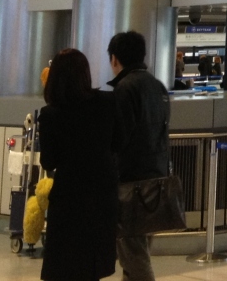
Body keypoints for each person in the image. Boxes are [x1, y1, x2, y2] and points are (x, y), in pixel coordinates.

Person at [39, 48, 120, 281]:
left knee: (64, 265)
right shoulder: (108, 103)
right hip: (103, 194)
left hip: (69, 198)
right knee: (92, 265)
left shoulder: (51, 114)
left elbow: (48, 161)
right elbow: (118, 142)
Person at [108, 31, 171, 281]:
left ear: (115, 59)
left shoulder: (124, 89)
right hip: (156, 181)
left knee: (134, 258)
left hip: (131, 185)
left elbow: (118, 139)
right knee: (136, 255)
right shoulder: (158, 86)